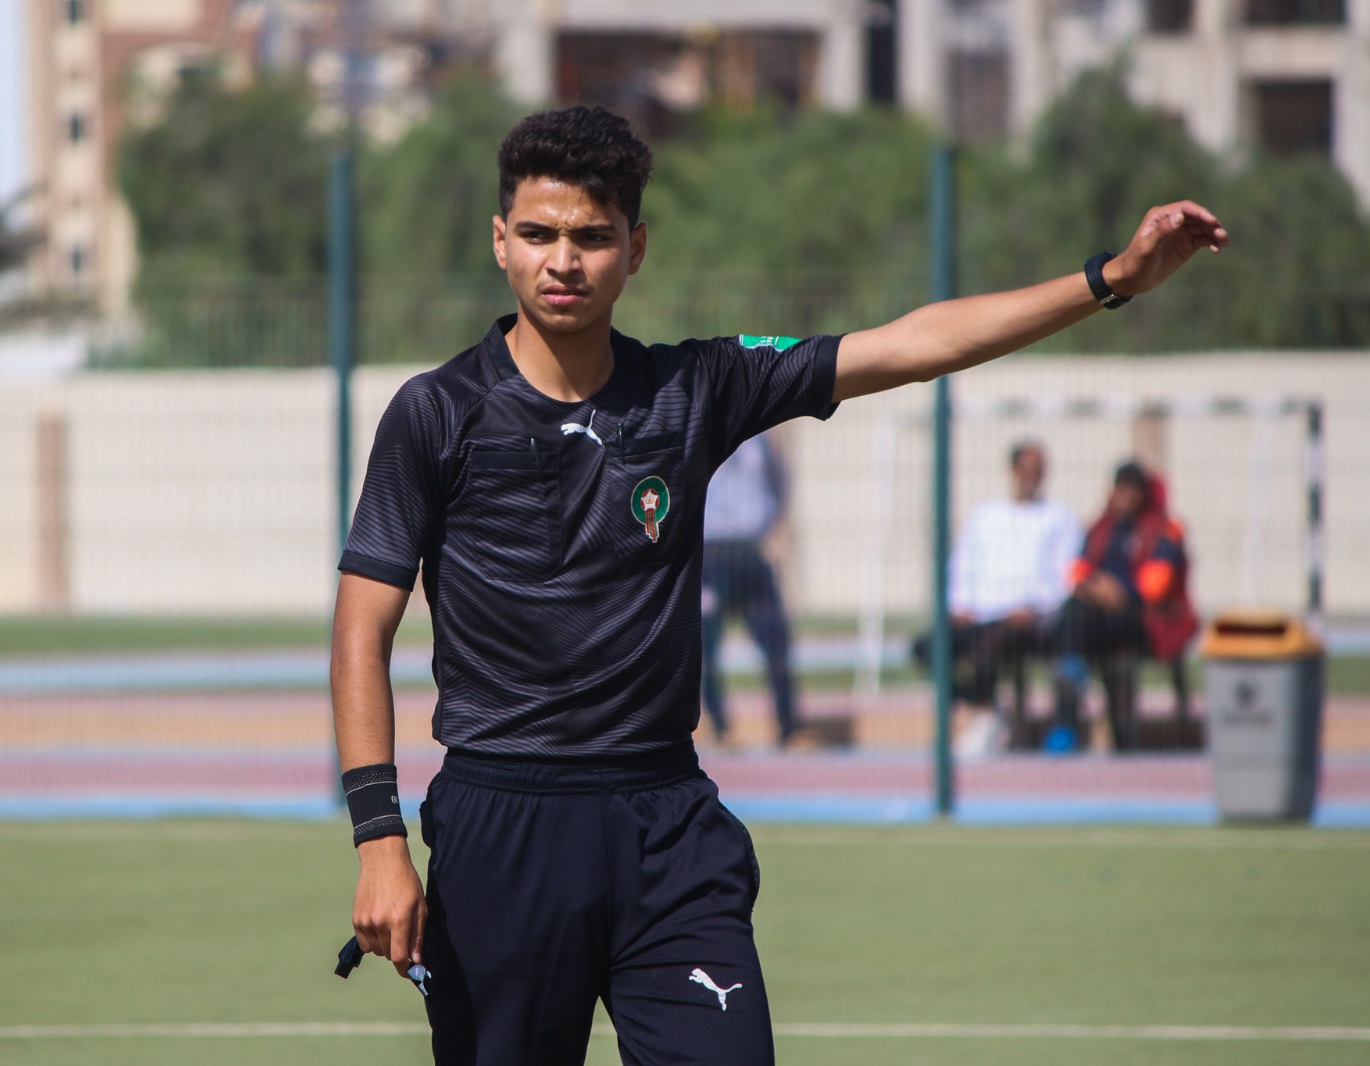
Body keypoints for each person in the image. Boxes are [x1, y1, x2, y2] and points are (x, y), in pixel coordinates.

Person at [332, 104, 1226, 1065]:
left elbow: (912, 344)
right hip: (502, 823)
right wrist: (380, 843)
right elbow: (359, 634)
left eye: (592, 236)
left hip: (665, 824)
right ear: (501, 242)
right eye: (540, 234)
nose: (564, 261)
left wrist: (1111, 280)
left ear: (636, 249)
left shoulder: (694, 388)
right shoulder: (435, 414)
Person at [911, 440, 1081, 755]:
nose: (1031, 477)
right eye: (1025, 469)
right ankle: (984, 707)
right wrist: (958, 605)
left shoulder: (1060, 518)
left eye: (1038, 470)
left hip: (1026, 620)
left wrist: (1035, 607)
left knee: (989, 647)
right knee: (927, 647)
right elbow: (962, 565)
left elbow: (1065, 576)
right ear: (1013, 471)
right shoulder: (985, 515)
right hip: (979, 614)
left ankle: (988, 718)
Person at [1049, 459, 1197, 752]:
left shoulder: (1165, 530)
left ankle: (1071, 698)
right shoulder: (1100, 529)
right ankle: (1069, 700)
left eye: (1132, 491)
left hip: (1145, 620)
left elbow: (1155, 586)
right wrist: (1097, 588)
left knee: (1080, 619)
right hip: (1098, 617)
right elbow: (1078, 572)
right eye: (1121, 489)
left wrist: (1117, 592)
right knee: (1073, 610)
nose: (1125, 498)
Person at [698, 431, 808, 750]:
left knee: (776, 641)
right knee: (705, 648)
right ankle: (719, 728)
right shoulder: (697, 428)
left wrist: (776, 527)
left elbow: (780, 480)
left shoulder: (760, 437)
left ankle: (788, 728)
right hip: (710, 551)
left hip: (751, 550)